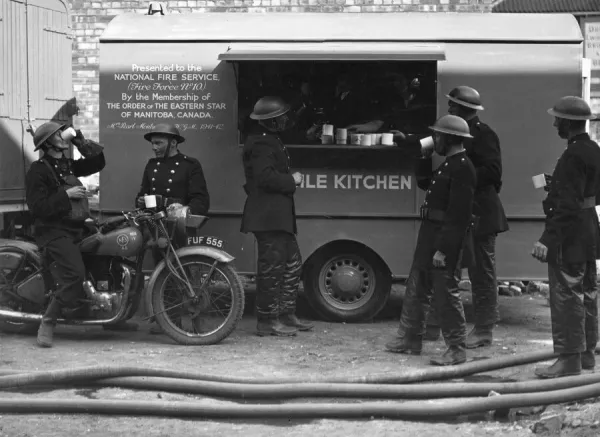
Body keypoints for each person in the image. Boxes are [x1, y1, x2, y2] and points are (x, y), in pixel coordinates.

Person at [395, 86, 509, 349]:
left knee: (482, 274)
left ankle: (483, 329)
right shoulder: (450, 131)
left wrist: (460, 182)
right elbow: (427, 143)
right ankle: (433, 327)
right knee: (446, 274)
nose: (449, 109)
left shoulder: (484, 135)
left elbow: (493, 172)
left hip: (481, 213)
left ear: (465, 109)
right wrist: (407, 141)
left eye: (453, 106)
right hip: (457, 213)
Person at [385, 114, 477, 366]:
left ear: (449, 138)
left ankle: (457, 347)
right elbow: (427, 184)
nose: (433, 139)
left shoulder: (462, 167)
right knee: (417, 288)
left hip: (443, 239)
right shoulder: (449, 164)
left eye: (437, 135)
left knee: (446, 293)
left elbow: (459, 216)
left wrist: (444, 250)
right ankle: (410, 338)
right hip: (430, 234)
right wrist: (422, 159)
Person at [106, 123, 211, 334]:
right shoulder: (151, 165)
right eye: (153, 143)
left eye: (158, 143)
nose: (154, 147)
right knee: (160, 272)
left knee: (186, 274)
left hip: (179, 226)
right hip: (156, 226)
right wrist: (142, 202)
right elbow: (142, 194)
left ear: (173, 142)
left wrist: (184, 206)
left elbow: (201, 199)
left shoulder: (190, 165)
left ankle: (199, 324)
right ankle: (169, 323)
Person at [532, 96, 600, 379]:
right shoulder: (594, 149)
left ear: (568, 123)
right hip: (589, 231)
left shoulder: (572, 155)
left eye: (558, 119)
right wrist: (558, 184)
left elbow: (567, 205)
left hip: (569, 236)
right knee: (587, 293)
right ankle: (586, 356)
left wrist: (546, 240)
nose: (554, 123)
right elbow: (587, 193)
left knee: (566, 297)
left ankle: (568, 359)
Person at [26, 122, 106, 348]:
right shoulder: (38, 170)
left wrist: (80, 141)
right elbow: (37, 208)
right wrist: (66, 194)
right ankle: (48, 321)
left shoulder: (68, 164)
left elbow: (98, 162)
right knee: (74, 275)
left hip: (76, 228)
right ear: (48, 142)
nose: (62, 135)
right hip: (53, 232)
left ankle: (111, 317)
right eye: (57, 134)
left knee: (104, 256)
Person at [241, 96, 314, 337]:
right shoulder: (262, 144)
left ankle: (285, 314)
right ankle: (267, 321)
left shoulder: (269, 140)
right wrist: (291, 180)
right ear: (271, 122)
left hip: (276, 215)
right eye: (280, 117)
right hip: (268, 215)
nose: (285, 121)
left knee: (292, 265)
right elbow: (264, 178)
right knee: (273, 269)